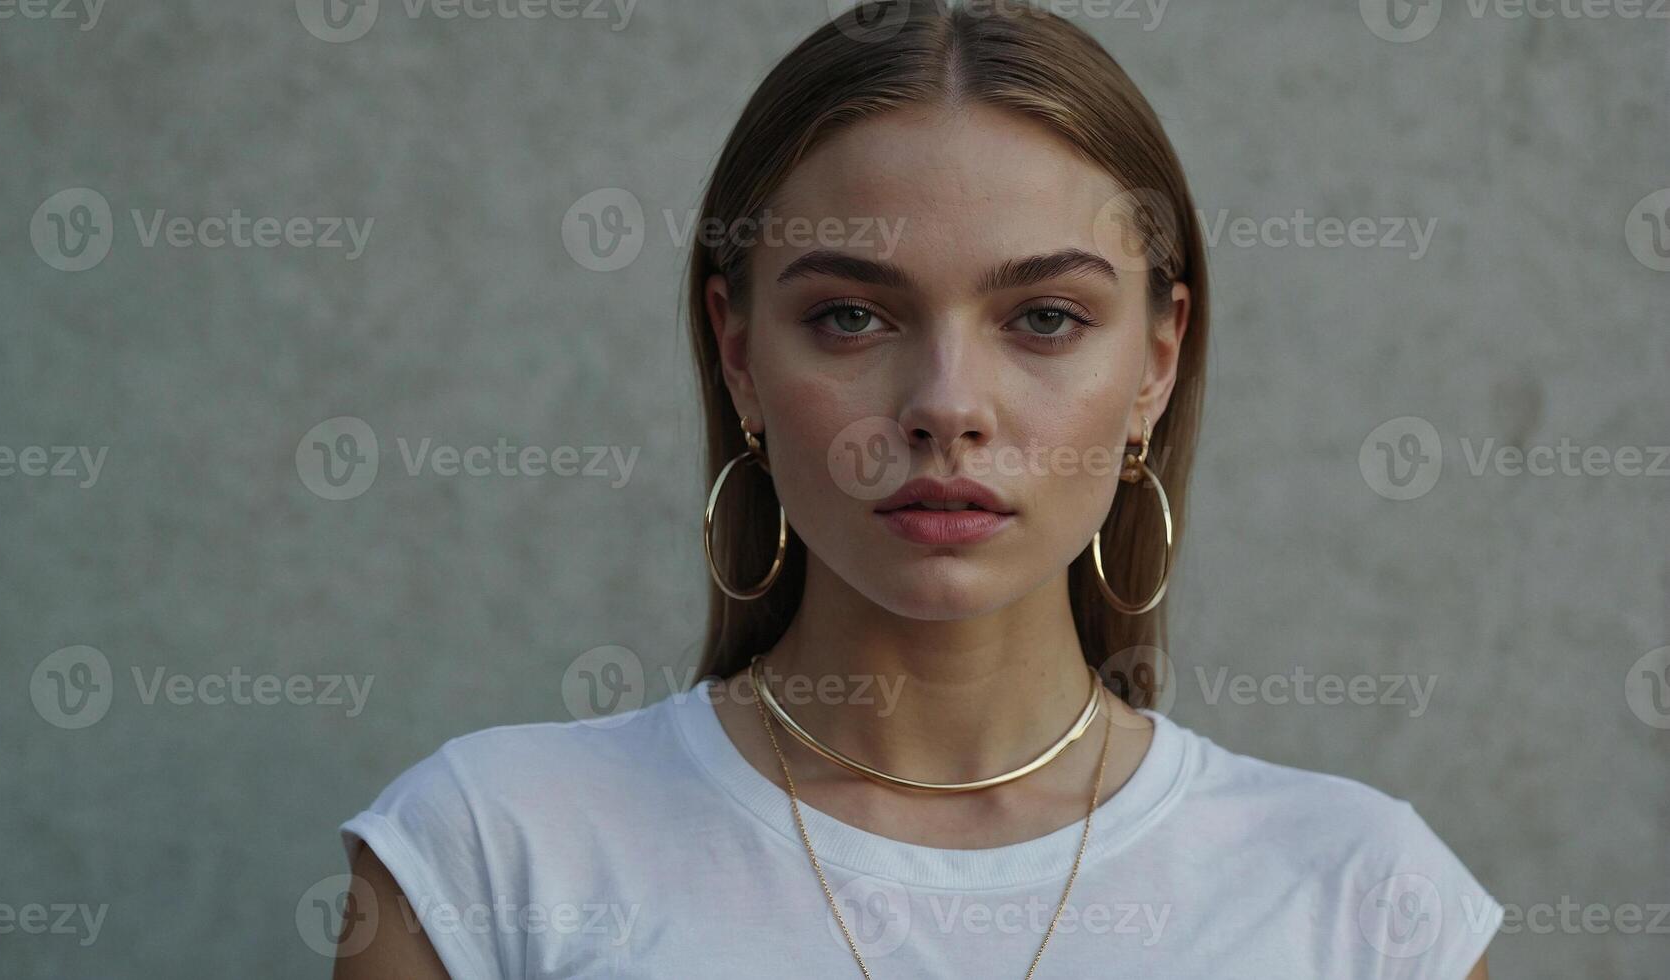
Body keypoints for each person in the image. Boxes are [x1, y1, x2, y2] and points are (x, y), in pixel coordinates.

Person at [334, 2, 1503, 976]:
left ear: (1155, 360)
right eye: (850, 314)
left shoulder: (1364, 903)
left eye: (1044, 317)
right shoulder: (489, 857)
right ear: (737, 351)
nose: (946, 404)